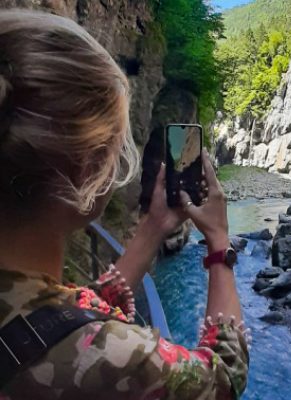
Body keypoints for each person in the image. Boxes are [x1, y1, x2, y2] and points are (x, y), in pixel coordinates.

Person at [0, 9, 249, 400]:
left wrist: (152, 228)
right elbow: (223, 377)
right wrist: (219, 242)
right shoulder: (114, 358)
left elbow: (53, 318)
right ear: (87, 168)